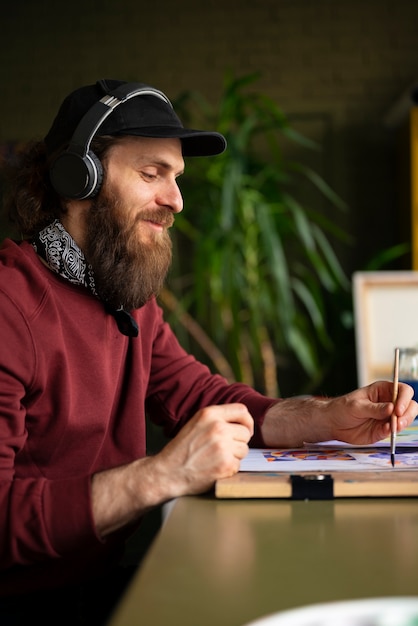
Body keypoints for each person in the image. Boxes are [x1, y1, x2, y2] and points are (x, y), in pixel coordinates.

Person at [0, 78, 416, 625]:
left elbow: (202, 395)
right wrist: (160, 475)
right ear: (78, 178)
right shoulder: (11, 307)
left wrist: (328, 415)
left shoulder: (122, 294)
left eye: (176, 179)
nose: (175, 200)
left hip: (101, 582)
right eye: (151, 175)